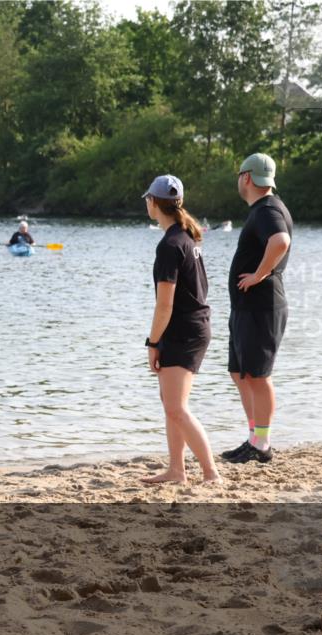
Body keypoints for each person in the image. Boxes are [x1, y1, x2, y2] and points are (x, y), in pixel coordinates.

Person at [140, 175, 221, 485]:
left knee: (176, 406)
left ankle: (211, 473)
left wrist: (153, 342)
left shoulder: (171, 245)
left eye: (147, 199)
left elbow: (165, 305)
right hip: (191, 327)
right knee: (171, 404)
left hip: (185, 330)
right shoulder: (186, 239)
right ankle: (177, 470)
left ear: (153, 203)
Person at [220, 153, 293, 464]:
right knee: (240, 373)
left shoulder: (267, 209)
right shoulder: (263, 209)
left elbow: (281, 241)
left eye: (239, 175)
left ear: (246, 177)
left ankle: (261, 444)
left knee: (258, 376)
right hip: (247, 308)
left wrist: (259, 275)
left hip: (261, 308)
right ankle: (254, 438)